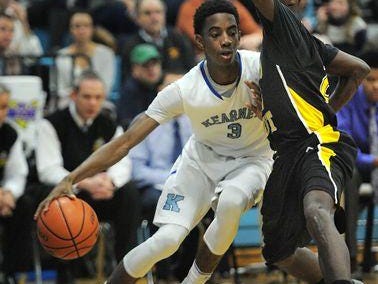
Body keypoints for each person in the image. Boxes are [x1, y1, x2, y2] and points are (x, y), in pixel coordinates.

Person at [34, 1, 274, 283]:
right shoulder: (185, 89)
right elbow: (125, 142)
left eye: (232, 32)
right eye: (216, 33)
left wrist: (272, 105)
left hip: (252, 159)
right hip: (202, 160)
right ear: (199, 40)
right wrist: (71, 178)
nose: (226, 40)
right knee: (166, 240)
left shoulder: (261, 68)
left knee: (231, 201)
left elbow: (305, 104)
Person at [249, 0, 370, 283]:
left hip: (316, 145)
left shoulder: (284, 25)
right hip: (286, 154)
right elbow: (359, 69)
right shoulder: (308, 44)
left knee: (317, 211)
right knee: (278, 250)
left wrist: (325, 116)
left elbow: (361, 70)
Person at [35, 70, 141, 283]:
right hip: (71, 196)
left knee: (129, 192)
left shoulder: (109, 123)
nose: (93, 103)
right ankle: (66, 275)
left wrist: (110, 182)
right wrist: (83, 182)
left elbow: (123, 162)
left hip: (101, 194)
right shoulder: (52, 123)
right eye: (87, 96)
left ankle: (126, 269)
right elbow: (48, 169)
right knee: (54, 199)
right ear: (74, 95)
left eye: (98, 97)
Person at [336, 50, 378, 275]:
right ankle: (350, 257)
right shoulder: (348, 97)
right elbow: (345, 145)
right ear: (362, 80)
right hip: (358, 164)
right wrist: (372, 160)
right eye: (371, 80)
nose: (376, 86)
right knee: (349, 175)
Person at [120, 0, 195, 81]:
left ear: (164, 14)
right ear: (137, 18)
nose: (154, 17)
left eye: (158, 12)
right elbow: (127, 80)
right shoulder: (130, 46)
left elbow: (194, 70)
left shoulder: (178, 37)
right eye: (147, 13)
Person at [54, 11, 115, 109]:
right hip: (68, 103)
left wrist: (89, 98)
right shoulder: (62, 55)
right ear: (70, 30)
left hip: (98, 101)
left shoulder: (106, 53)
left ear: (92, 29)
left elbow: (106, 86)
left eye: (86, 26)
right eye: (77, 26)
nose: (82, 30)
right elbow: (61, 89)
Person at [0, 83, 29, 283]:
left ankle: (9, 272)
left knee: (25, 204)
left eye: (3, 107)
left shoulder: (10, 133)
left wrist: (9, 193)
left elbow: (17, 173)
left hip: (2, 199)